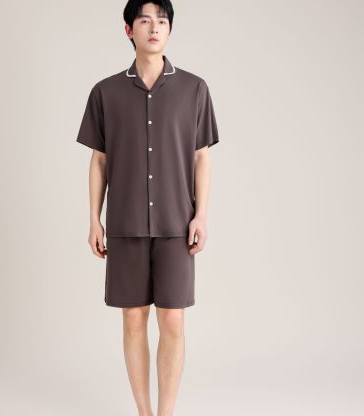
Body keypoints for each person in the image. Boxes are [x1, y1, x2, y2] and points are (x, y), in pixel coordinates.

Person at [76, 1, 219, 415]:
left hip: (177, 224)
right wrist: (94, 220)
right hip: (125, 223)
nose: (154, 28)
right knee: (133, 319)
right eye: (145, 21)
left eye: (162, 21)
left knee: (173, 320)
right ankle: (143, 412)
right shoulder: (105, 92)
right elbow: (99, 160)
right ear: (129, 30)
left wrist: (201, 215)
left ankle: (166, 413)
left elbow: (201, 156)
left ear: (169, 30)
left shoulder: (195, 89)